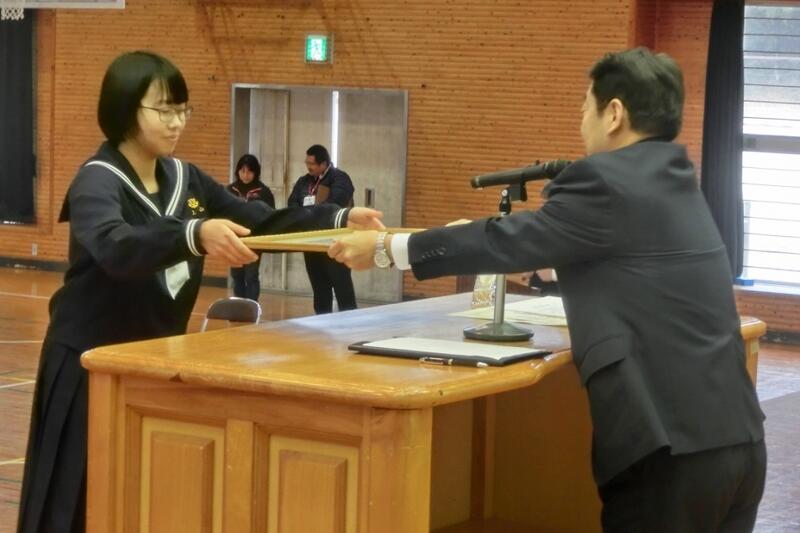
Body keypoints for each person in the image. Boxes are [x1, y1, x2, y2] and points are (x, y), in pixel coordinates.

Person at [329, 47, 766, 532]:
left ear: (614, 113)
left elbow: (505, 242)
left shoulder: (604, 179)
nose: (581, 121)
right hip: (738, 442)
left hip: (669, 456)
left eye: (584, 106)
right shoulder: (677, 178)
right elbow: (629, 261)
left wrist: (387, 247)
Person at [16, 51, 382, 533]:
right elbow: (114, 246)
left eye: (182, 110)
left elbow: (261, 221)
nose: (176, 123)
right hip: (89, 363)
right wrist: (193, 233)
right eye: (163, 110)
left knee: (144, 495)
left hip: (151, 359)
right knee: (80, 501)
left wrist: (336, 217)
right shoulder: (97, 180)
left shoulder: (186, 178)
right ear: (124, 108)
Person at [288, 144, 358, 314]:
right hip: (311, 241)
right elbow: (292, 202)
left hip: (335, 241)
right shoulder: (303, 181)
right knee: (319, 287)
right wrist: (303, 217)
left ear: (324, 164)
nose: (308, 166)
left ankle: (350, 321)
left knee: (342, 286)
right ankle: (321, 320)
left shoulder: (340, 179)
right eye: (307, 163)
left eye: (312, 163)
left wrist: (310, 214)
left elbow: (335, 204)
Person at [227, 154, 275, 301]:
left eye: (249, 171)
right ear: (238, 171)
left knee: (251, 276)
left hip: (255, 239)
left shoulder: (263, 191)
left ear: (256, 172)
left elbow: (271, 214)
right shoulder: (230, 189)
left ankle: (252, 307)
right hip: (234, 238)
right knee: (237, 275)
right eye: (242, 171)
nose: (246, 175)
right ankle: (240, 306)